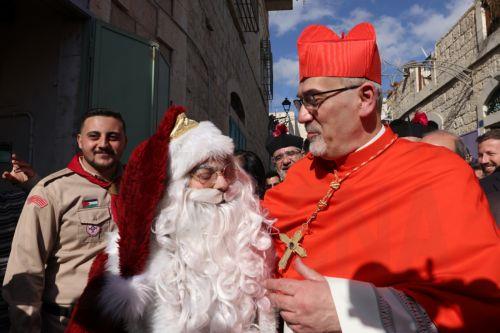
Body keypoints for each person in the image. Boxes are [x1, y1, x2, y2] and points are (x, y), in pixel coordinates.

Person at [262, 23, 500, 333]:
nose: (304, 115)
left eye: (314, 100)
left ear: (365, 98)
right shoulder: (297, 178)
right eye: (300, 102)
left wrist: (350, 312)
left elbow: (481, 302)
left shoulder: (437, 172)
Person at [66, 107, 276, 332]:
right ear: (175, 187)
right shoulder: (128, 266)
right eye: (206, 175)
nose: (223, 184)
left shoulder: (250, 246)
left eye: (228, 172)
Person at [2, 108, 127, 332]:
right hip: (68, 323)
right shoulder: (51, 191)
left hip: (127, 321)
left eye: (113, 137)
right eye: (94, 136)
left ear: (124, 141)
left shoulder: (140, 186)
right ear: (80, 141)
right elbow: (26, 267)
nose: (103, 144)